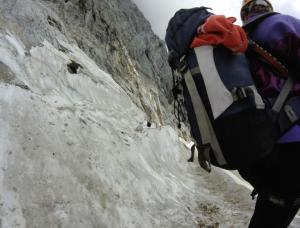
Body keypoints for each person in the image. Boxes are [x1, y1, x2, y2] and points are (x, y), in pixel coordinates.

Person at [238, 0, 300, 227]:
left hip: (258, 151)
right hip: (293, 148)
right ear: (267, 8)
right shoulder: (282, 25)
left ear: (245, 15)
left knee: (269, 212)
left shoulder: (234, 46)